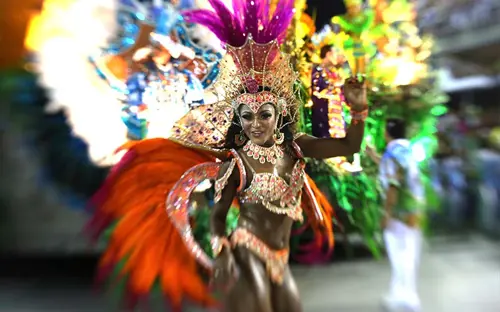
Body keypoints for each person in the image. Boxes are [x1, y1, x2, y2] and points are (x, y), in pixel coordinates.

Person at [86, 1, 368, 311]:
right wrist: (221, 251)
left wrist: (358, 111)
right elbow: (219, 215)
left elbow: (348, 148)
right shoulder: (238, 162)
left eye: (264, 115)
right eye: (246, 116)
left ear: (279, 115)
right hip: (247, 251)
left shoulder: (296, 147)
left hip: (281, 257)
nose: (255, 124)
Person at [366, 118, 424, 312]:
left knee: (400, 256)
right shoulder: (407, 150)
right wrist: (374, 156)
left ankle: (405, 299)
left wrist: (387, 213)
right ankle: (401, 294)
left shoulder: (392, 153)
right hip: (413, 210)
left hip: (398, 212)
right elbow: (395, 170)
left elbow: (393, 184)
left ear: (388, 132)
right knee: (409, 253)